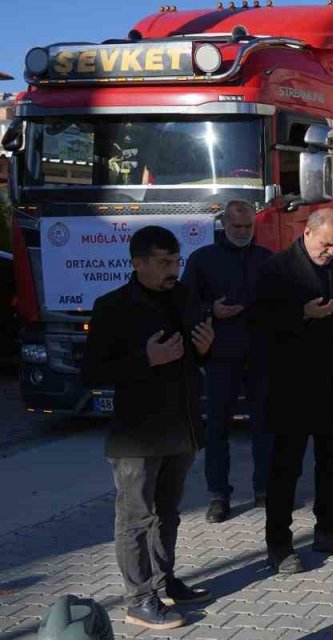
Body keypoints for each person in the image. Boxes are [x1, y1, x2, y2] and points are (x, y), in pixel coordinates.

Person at [82, 226, 216, 630]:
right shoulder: (113, 306)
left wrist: (206, 349)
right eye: (163, 262)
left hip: (182, 427)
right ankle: (138, 600)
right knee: (135, 519)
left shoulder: (185, 297)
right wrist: (146, 359)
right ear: (137, 262)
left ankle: (164, 582)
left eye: (176, 261)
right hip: (137, 435)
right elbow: (92, 372)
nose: (172, 269)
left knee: (168, 515)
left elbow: (194, 357)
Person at [255, 208, 333, 575]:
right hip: (291, 385)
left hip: (332, 381)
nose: (331, 252)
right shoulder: (278, 268)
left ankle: (328, 530)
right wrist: (300, 314)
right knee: (285, 468)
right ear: (309, 232)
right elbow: (260, 322)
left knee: (331, 462)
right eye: (326, 244)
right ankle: (279, 544)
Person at [180, 200, 273, 523]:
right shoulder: (203, 260)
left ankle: (265, 489)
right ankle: (218, 495)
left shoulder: (266, 259)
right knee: (218, 427)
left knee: (265, 425)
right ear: (224, 225)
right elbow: (184, 304)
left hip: (260, 355)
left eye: (248, 227)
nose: (243, 233)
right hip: (220, 356)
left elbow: (282, 300)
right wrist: (211, 311)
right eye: (236, 227)